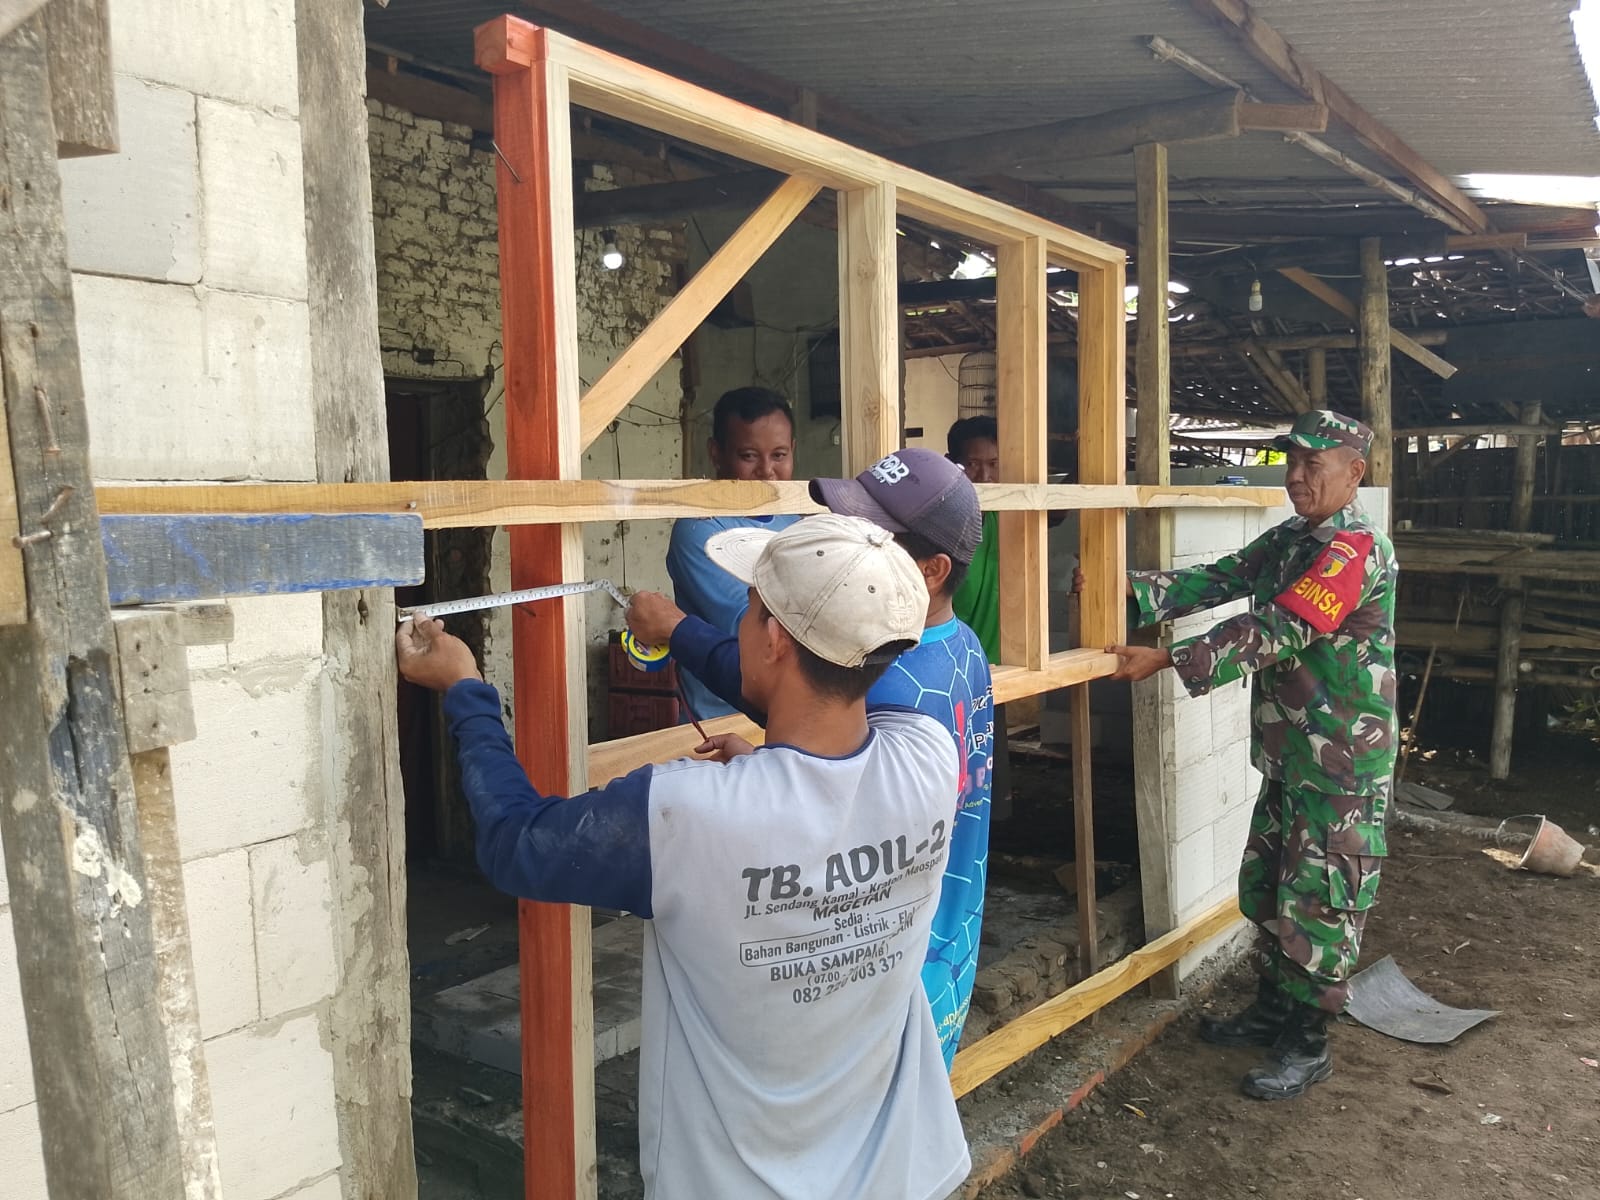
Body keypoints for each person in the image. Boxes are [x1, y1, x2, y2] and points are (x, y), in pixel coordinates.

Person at [397, 514, 971, 1199]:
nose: (741, 625)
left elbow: (515, 842)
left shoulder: (689, 813)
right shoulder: (929, 753)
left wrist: (465, 689)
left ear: (774, 640)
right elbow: (824, 762)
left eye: (749, 609)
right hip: (900, 1174)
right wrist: (747, 743)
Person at [626, 448, 994, 1069]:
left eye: (871, 536)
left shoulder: (884, 677)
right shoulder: (961, 648)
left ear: (931, 571)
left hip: (881, 996)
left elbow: (769, 692)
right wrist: (774, 766)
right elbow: (859, 800)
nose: (846, 544)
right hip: (943, 958)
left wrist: (678, 629)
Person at [1104, 409, 1398, 1101]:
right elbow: (1222, 576)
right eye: (1290, 462)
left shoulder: (1354, 549)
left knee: (1322, 898)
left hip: (1342, 767)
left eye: (1312, 464)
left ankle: (1309, 1041)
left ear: (1353, 473)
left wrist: (1169, 659)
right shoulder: (1294, 539)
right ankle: (1273, 1009)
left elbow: (1282, 626)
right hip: (1293, 754)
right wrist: (1130, 589)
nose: (1295, 477)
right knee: (1271, 883)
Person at [666, 386, 800, 720]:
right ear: (716, 453)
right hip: (721, 722)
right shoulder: (701, 530)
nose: (766, 470)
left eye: (779, 455)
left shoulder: (794, 520)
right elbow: (758, 629)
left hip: (787, 712)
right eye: (749, 456)